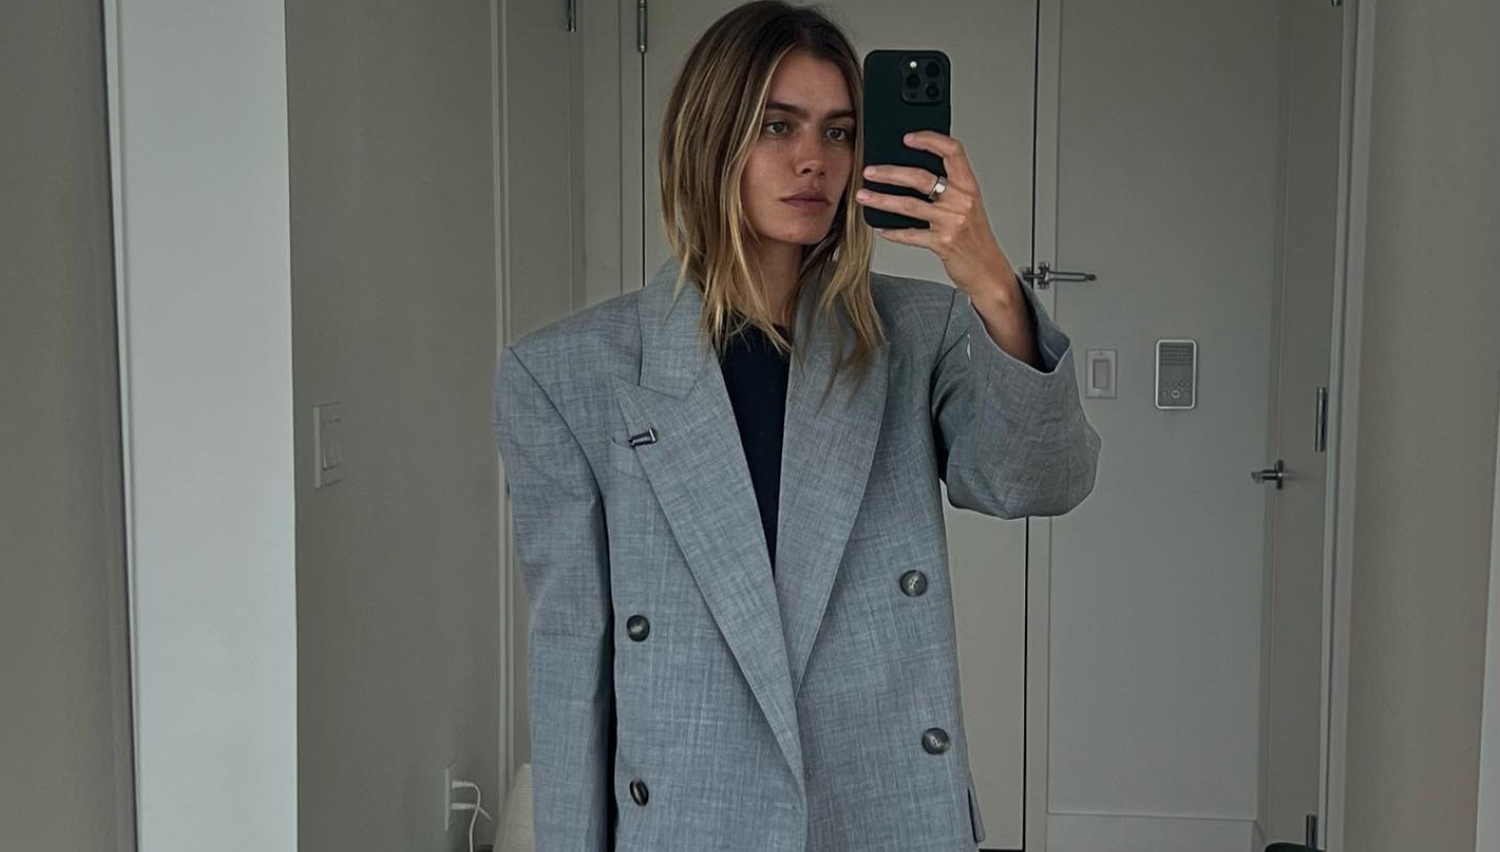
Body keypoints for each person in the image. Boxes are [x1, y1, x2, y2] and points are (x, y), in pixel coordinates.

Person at [492, 2, 1101, 850]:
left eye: (839, 132)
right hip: (693, 819)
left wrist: (993, 282)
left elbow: (1039, 480)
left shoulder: (916, 333)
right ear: (710, 138)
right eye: (777, 126)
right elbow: (572, 664)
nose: (814, 159)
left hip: (880, 806)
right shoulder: (567, 374)